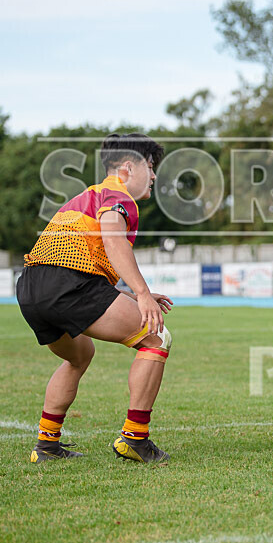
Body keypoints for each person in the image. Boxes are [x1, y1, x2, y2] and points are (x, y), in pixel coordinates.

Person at [18, 133, 173, 464]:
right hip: (67, 285)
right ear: (128, 168)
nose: (154, 175)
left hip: (32, 287)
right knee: (157, 338)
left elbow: (82, 264)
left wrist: (130, 293)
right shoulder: (119, 196)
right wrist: (143, 294)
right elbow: (113, 240)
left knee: (79, 355)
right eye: (150, 166)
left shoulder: (88, 196)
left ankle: (46, 446)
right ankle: (135, 439)